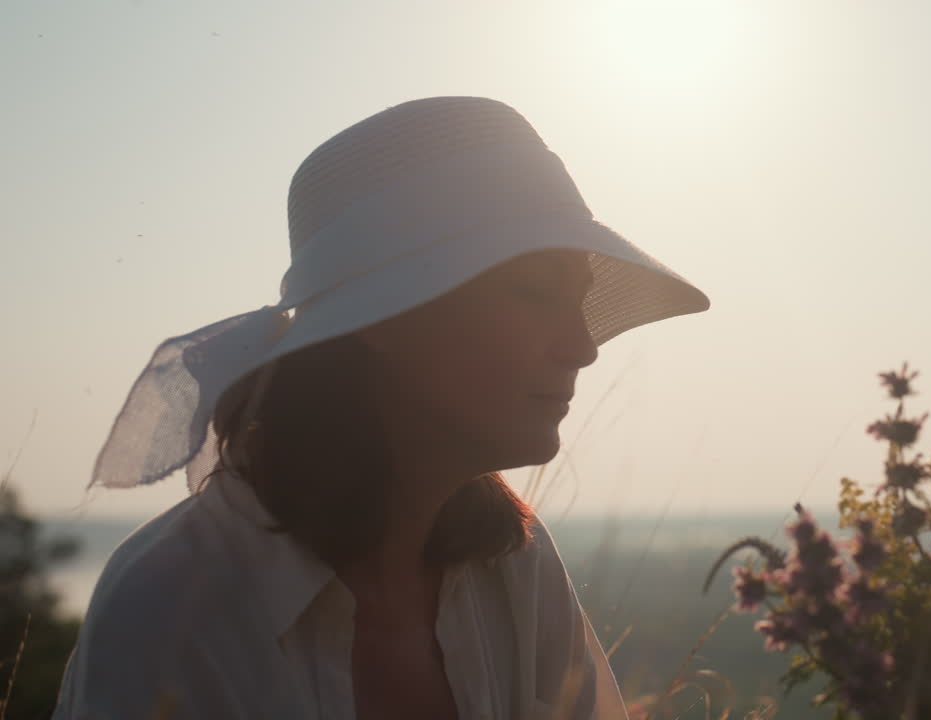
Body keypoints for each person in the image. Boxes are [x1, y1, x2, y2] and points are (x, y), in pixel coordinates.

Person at [53, 97, 709, 719]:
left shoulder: (517, 568)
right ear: (383, 319)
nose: (582, 347)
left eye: (579, 299)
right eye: (538, 293)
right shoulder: (173, 607)